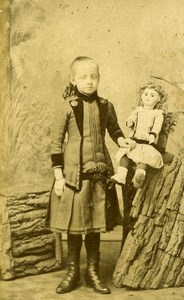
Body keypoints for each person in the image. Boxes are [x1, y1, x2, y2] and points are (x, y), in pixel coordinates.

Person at [46, 56, 132, 294]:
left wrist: (122, 139)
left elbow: (114, 129)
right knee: (75, 227)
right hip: (74, 177)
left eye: (93, 76)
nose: (89, 81)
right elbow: (55, 144)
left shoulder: (106, 104)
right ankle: (73, 272)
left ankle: (92, 272)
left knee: (95, 226)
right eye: (83, 76)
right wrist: (59, 176)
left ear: (99, 78)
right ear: (73, 79)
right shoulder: (68, 106)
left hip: (99, 175)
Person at [111, 82, 167, 188]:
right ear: (141, 96)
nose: (148, 97)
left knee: (144, 159)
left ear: (159, 99)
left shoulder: (158, 113)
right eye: (146, 94)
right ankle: (121, 175)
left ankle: (139, 177)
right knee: (125, 155)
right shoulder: (138, 110)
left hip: (146, 143)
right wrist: (130, 122)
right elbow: (132, 117)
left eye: (152, 95)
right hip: (134, 141)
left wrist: (153, 135)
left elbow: (157, 127)